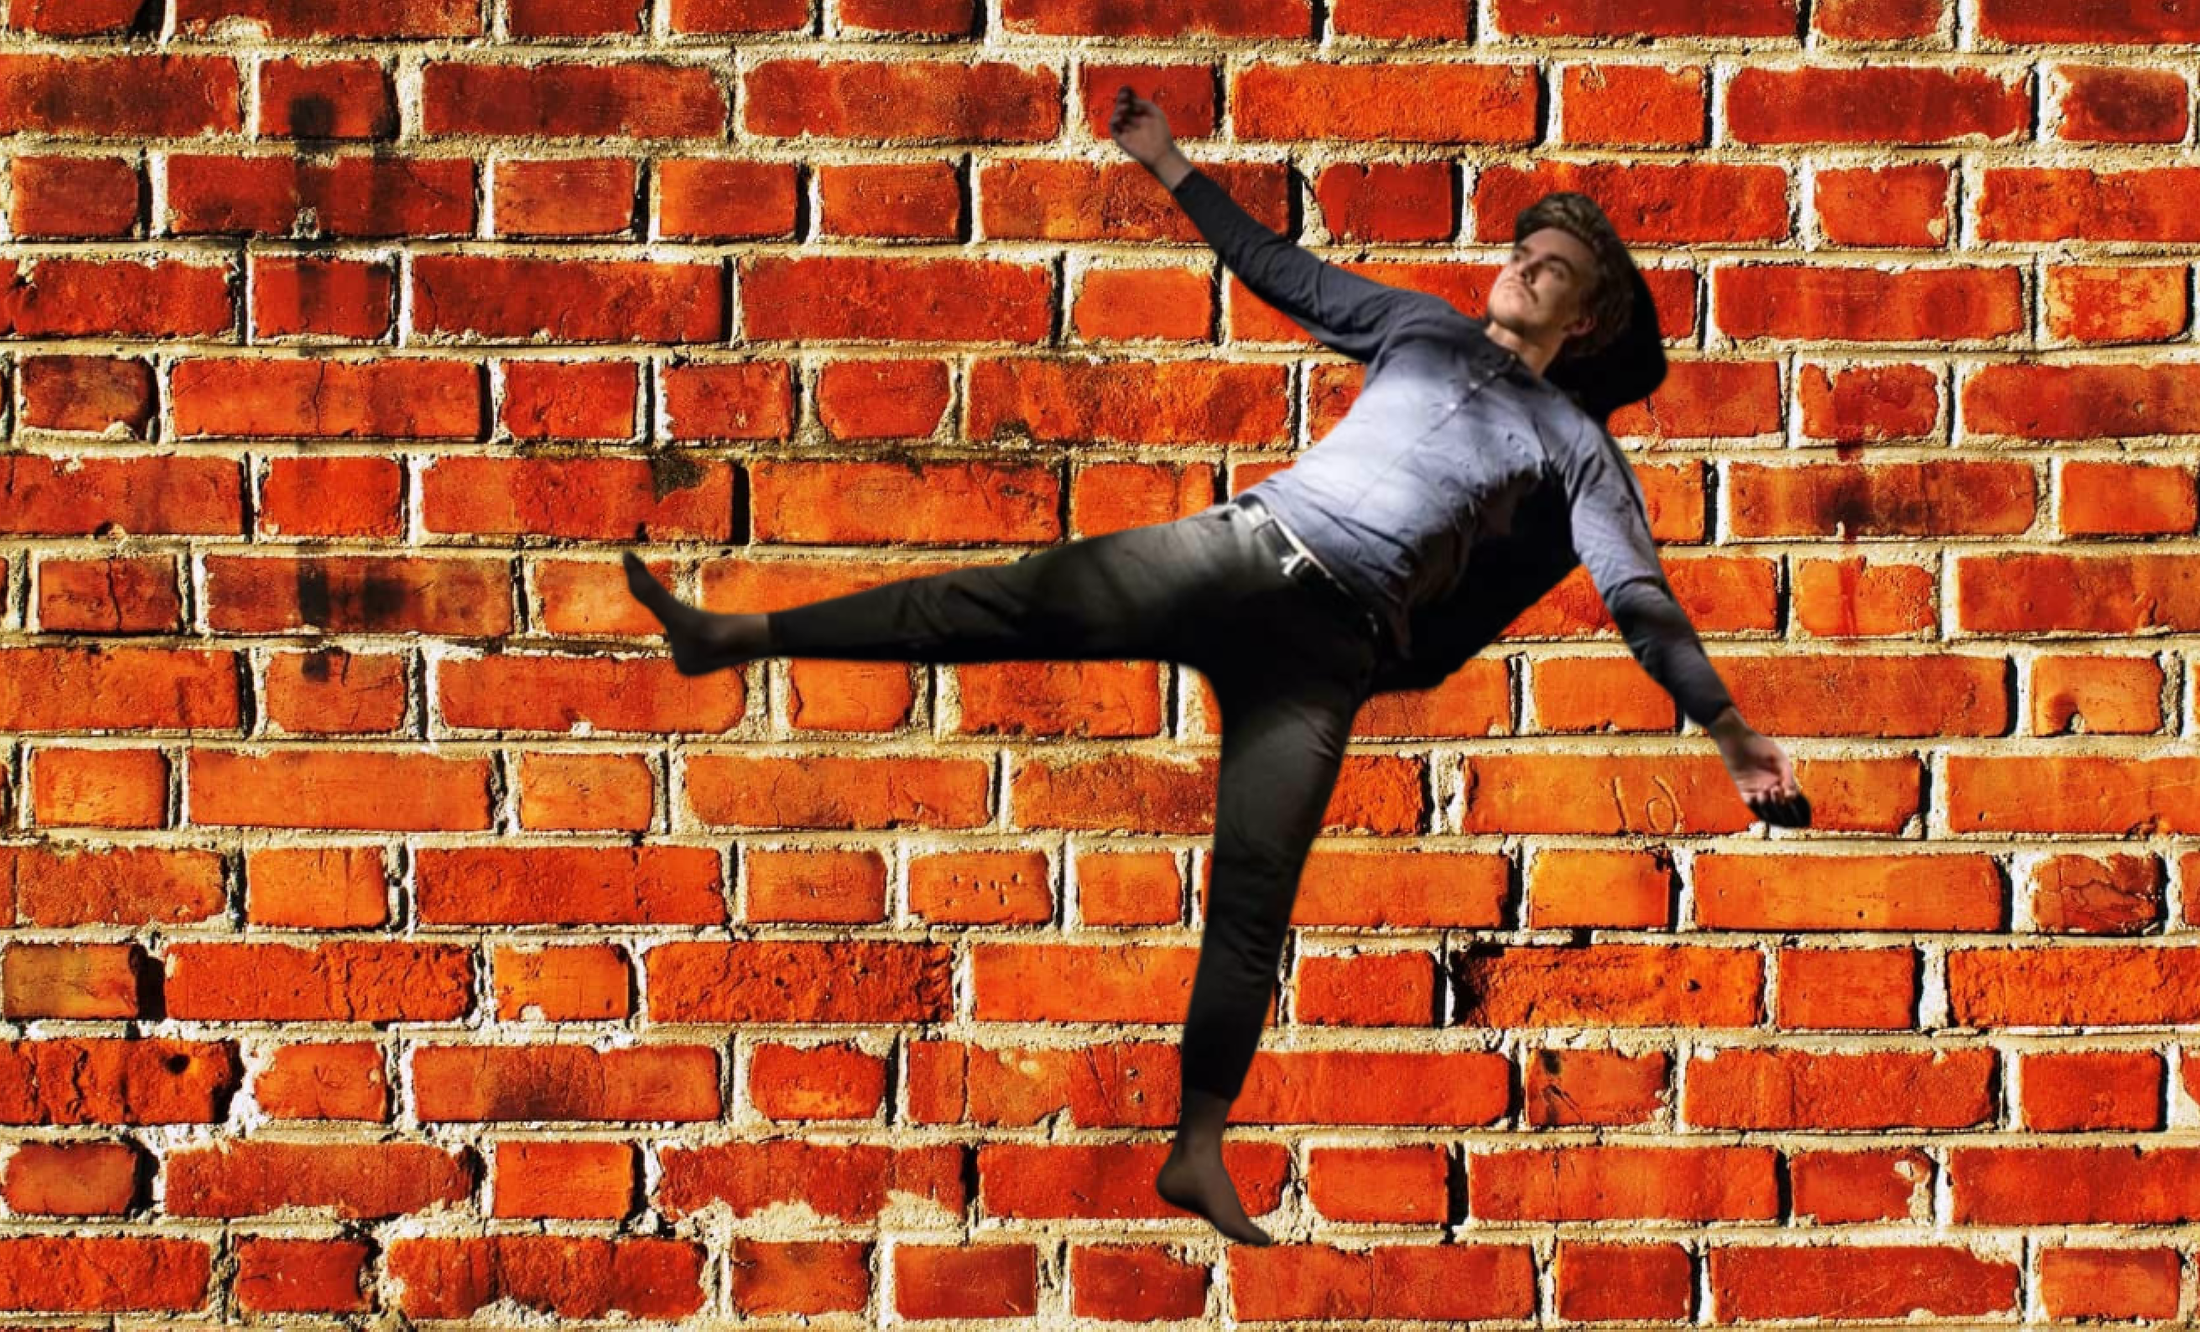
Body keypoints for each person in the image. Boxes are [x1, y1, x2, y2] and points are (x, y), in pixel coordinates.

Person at [620, 86, 1807, 1247]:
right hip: (1239, 550)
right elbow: (1280, 270)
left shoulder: (1575, 448)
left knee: (1253, 896)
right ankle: (731, 636)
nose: (1524, 270)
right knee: (1001, 601)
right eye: (1521, 252)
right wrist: (1169, 165)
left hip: (1324, 649)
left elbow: (1637, 597)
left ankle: (1196, 1148)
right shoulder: (1418, 327)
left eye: (1553, 270)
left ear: (1584, 321)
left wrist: (1726, 728)